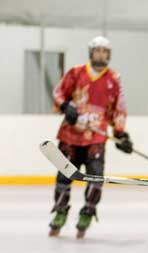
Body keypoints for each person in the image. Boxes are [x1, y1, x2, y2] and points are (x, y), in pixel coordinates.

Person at [49, 35, 133, 238]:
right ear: (91, 52)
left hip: (96, 138)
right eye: (98, 50)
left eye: (105, 51)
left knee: (96, 178)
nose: (101, 55)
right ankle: (60, 211)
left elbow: (118, 109)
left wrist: (120, 134)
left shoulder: (114, 79)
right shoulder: (76, 73)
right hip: (70, 134)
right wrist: (65, 105)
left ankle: (88, 211)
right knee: (63, 177)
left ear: (109, 55)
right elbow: (58, 92)